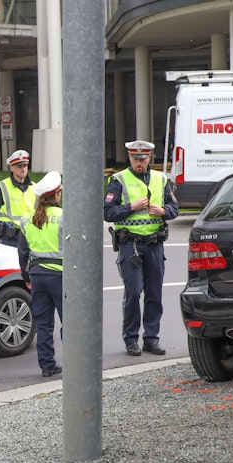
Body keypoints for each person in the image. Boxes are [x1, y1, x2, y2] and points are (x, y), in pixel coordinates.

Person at [103, 139, 179, 356]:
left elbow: (174, 208)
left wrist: (163, 211)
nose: (139, 162)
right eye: (135, 158)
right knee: (134, 292)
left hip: (155, 245)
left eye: (143, 159)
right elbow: (107, 212)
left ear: (149, 158)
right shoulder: (118, 180)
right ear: (129, 157)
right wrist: (131, 207)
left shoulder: (160, 179)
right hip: (131, 245)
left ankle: (151, 339)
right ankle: (131, 339)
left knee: (154, 293)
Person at [19, 171, 64, 377]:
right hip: (60, 277)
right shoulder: (64, 217)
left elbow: (22, 252)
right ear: (56, 195)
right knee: (70, 322)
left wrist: (26, 277)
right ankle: (75, 364)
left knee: (44, 325)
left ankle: (47, 366)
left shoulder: (27, 219)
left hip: (37, 276)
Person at [0, 149, 37, 247]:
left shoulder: (35, 187)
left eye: (25, 166)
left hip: (30, 238)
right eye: (19, 166)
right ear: (12, 168)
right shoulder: (1, 187)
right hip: (8, 239)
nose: (23, 169)